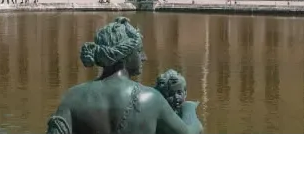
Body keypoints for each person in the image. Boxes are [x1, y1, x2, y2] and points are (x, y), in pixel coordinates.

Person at [45, 17, 199, 137]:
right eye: (139, 51)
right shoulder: (151, 98)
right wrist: (189, 109)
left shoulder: (72, 97)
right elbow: (187, 135)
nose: (143, 57)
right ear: (126, 54)